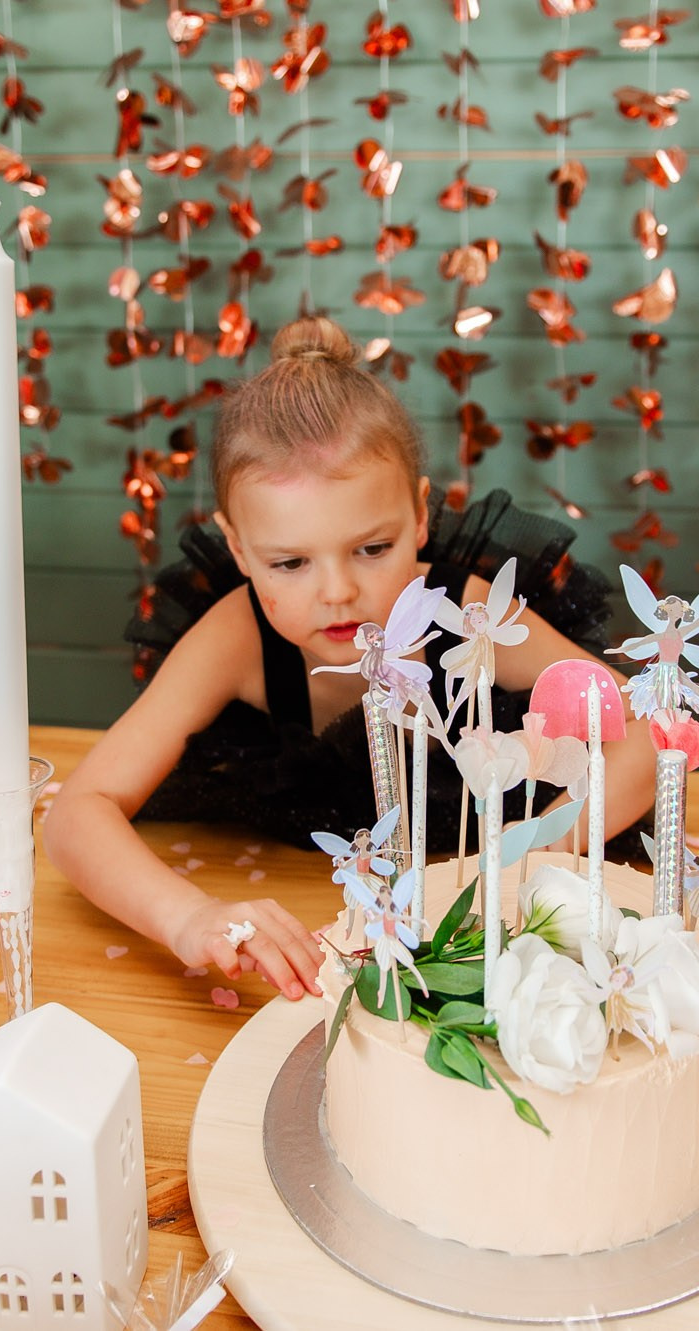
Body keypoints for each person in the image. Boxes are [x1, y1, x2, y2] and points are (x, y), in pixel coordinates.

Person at [42, 316, 656, 1004]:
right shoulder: (237, 635)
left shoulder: (473, 613)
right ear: (240, 549)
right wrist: (189, 916)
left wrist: (524, 854)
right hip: (318, 896)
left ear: (419, 518)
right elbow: (73, 815)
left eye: (372, 548)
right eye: (290, 561)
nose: (337, 592)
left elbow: (641, 732)